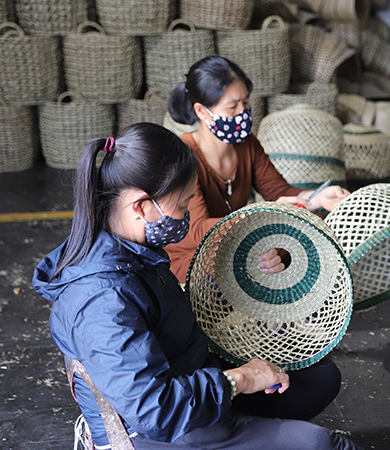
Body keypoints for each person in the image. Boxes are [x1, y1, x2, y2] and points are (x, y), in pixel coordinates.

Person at [32, 123, 361, 450]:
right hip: (157, 428)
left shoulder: (134, 250)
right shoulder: (101, 298)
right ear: (141, 206)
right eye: (183, 205)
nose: (187, 215)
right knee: (322, 444)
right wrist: (240, 379)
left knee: (319, 378)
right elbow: (154, 411)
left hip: (188, 384)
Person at [165, 55, 349, 283]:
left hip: (236, 240)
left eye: (246, 103)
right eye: (233, 107)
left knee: (312, 224)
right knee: (261, 256)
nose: (243, 113)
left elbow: (278, 192)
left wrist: (317, 198)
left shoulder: (247, 143)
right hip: (194, 254)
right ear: (202, 112)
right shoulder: (182, 156)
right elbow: (197, 231)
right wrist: (262, 216)